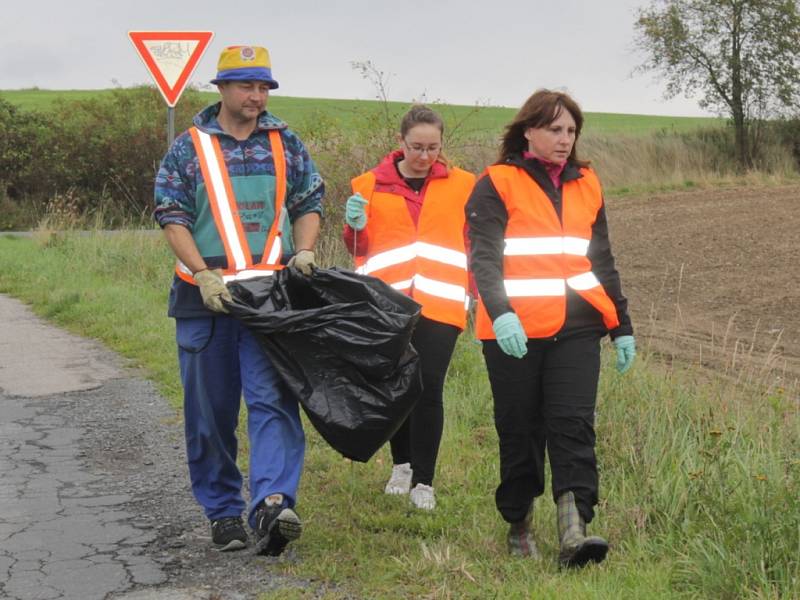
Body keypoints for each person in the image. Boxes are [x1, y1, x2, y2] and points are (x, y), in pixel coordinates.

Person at [153, 45, 324, 555]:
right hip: (205, 300)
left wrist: (307, 251)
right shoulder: (188, 147)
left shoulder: (285, 142)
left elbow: (309, 201)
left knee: (274, 403)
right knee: (211, 412)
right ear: (222, 89)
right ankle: (224, 512)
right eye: (247, 86)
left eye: (264, 87)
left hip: (270, 299)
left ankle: (272, 503)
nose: (257, 96)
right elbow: (171, 214)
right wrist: (204, 276)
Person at [466, 89, 636, 567]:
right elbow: (483, 257)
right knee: (520, 427)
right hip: (513, 329)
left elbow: (601, 259)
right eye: (556, 130)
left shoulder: (588, 183)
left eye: (572, 131)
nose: (566, 139)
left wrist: (621, 324)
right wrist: (500, 312)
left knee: (573, 424)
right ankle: (518, 521)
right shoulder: (496, 183)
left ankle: (573, 529)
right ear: (529, 131)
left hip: (579, 324)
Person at [343, 105, 475, 510]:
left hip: (442, 302)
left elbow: (475, 242)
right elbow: (357, 249)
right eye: (417, 146)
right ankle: (400, 465)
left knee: (428, 387)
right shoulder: (366, 185)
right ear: (400, 143)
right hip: (388, 305)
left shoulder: (465, 185)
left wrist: (478, 296)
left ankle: (425, 482)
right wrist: (353, 227)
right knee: (396, 386)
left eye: (433, 147)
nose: (424, 155)